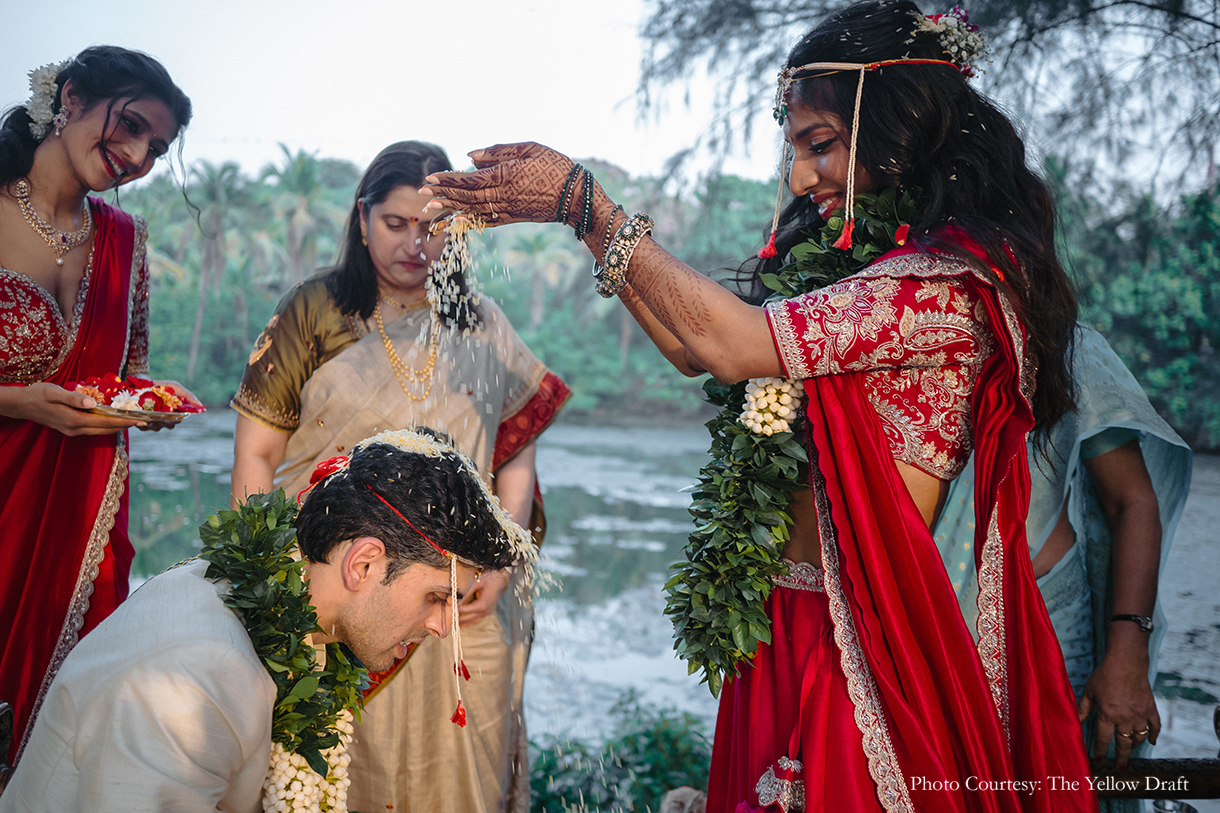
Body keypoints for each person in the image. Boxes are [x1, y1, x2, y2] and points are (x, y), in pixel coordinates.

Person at [421, 1, 1099, 809]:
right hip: (781, 612)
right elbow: (691, 348)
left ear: (906, 134)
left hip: (862, 647)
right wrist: (585, 225)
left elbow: (731, 343)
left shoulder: (938, 292)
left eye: (821, 146)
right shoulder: (847, 275)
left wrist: (588, 202)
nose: (800, 177)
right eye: (796, 149)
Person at [229, 141, 569, 813]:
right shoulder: (315, 312)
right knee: (338, 773)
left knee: (462, 778)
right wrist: (266, 582)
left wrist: (497, 565)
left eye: (434, 226)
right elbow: (257, 454)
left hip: (460, 599)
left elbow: (516, 455)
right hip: (345, 592)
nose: (416, 243)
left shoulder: (482, 323)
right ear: (363, 219)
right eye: (395, 223)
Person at [0, 429, 532, 812]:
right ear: (363, 563)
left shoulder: (297, 612)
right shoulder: (193, 678)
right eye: (438, 597)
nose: (444, 626)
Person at [0, 47, 195, 766]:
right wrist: (19, 402)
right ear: (72, 97)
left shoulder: (124, 241)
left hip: (78, 534)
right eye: (133, 125)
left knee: (62, 743)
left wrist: (146, 406)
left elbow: (126, 374)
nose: (139, 154)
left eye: (158, 147)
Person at [934, 324, 1192, 809]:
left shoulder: (1061, 345)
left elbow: (1132, 503)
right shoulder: (871, 320)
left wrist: (1127, 653)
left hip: (1050, 623)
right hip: (919, 630)